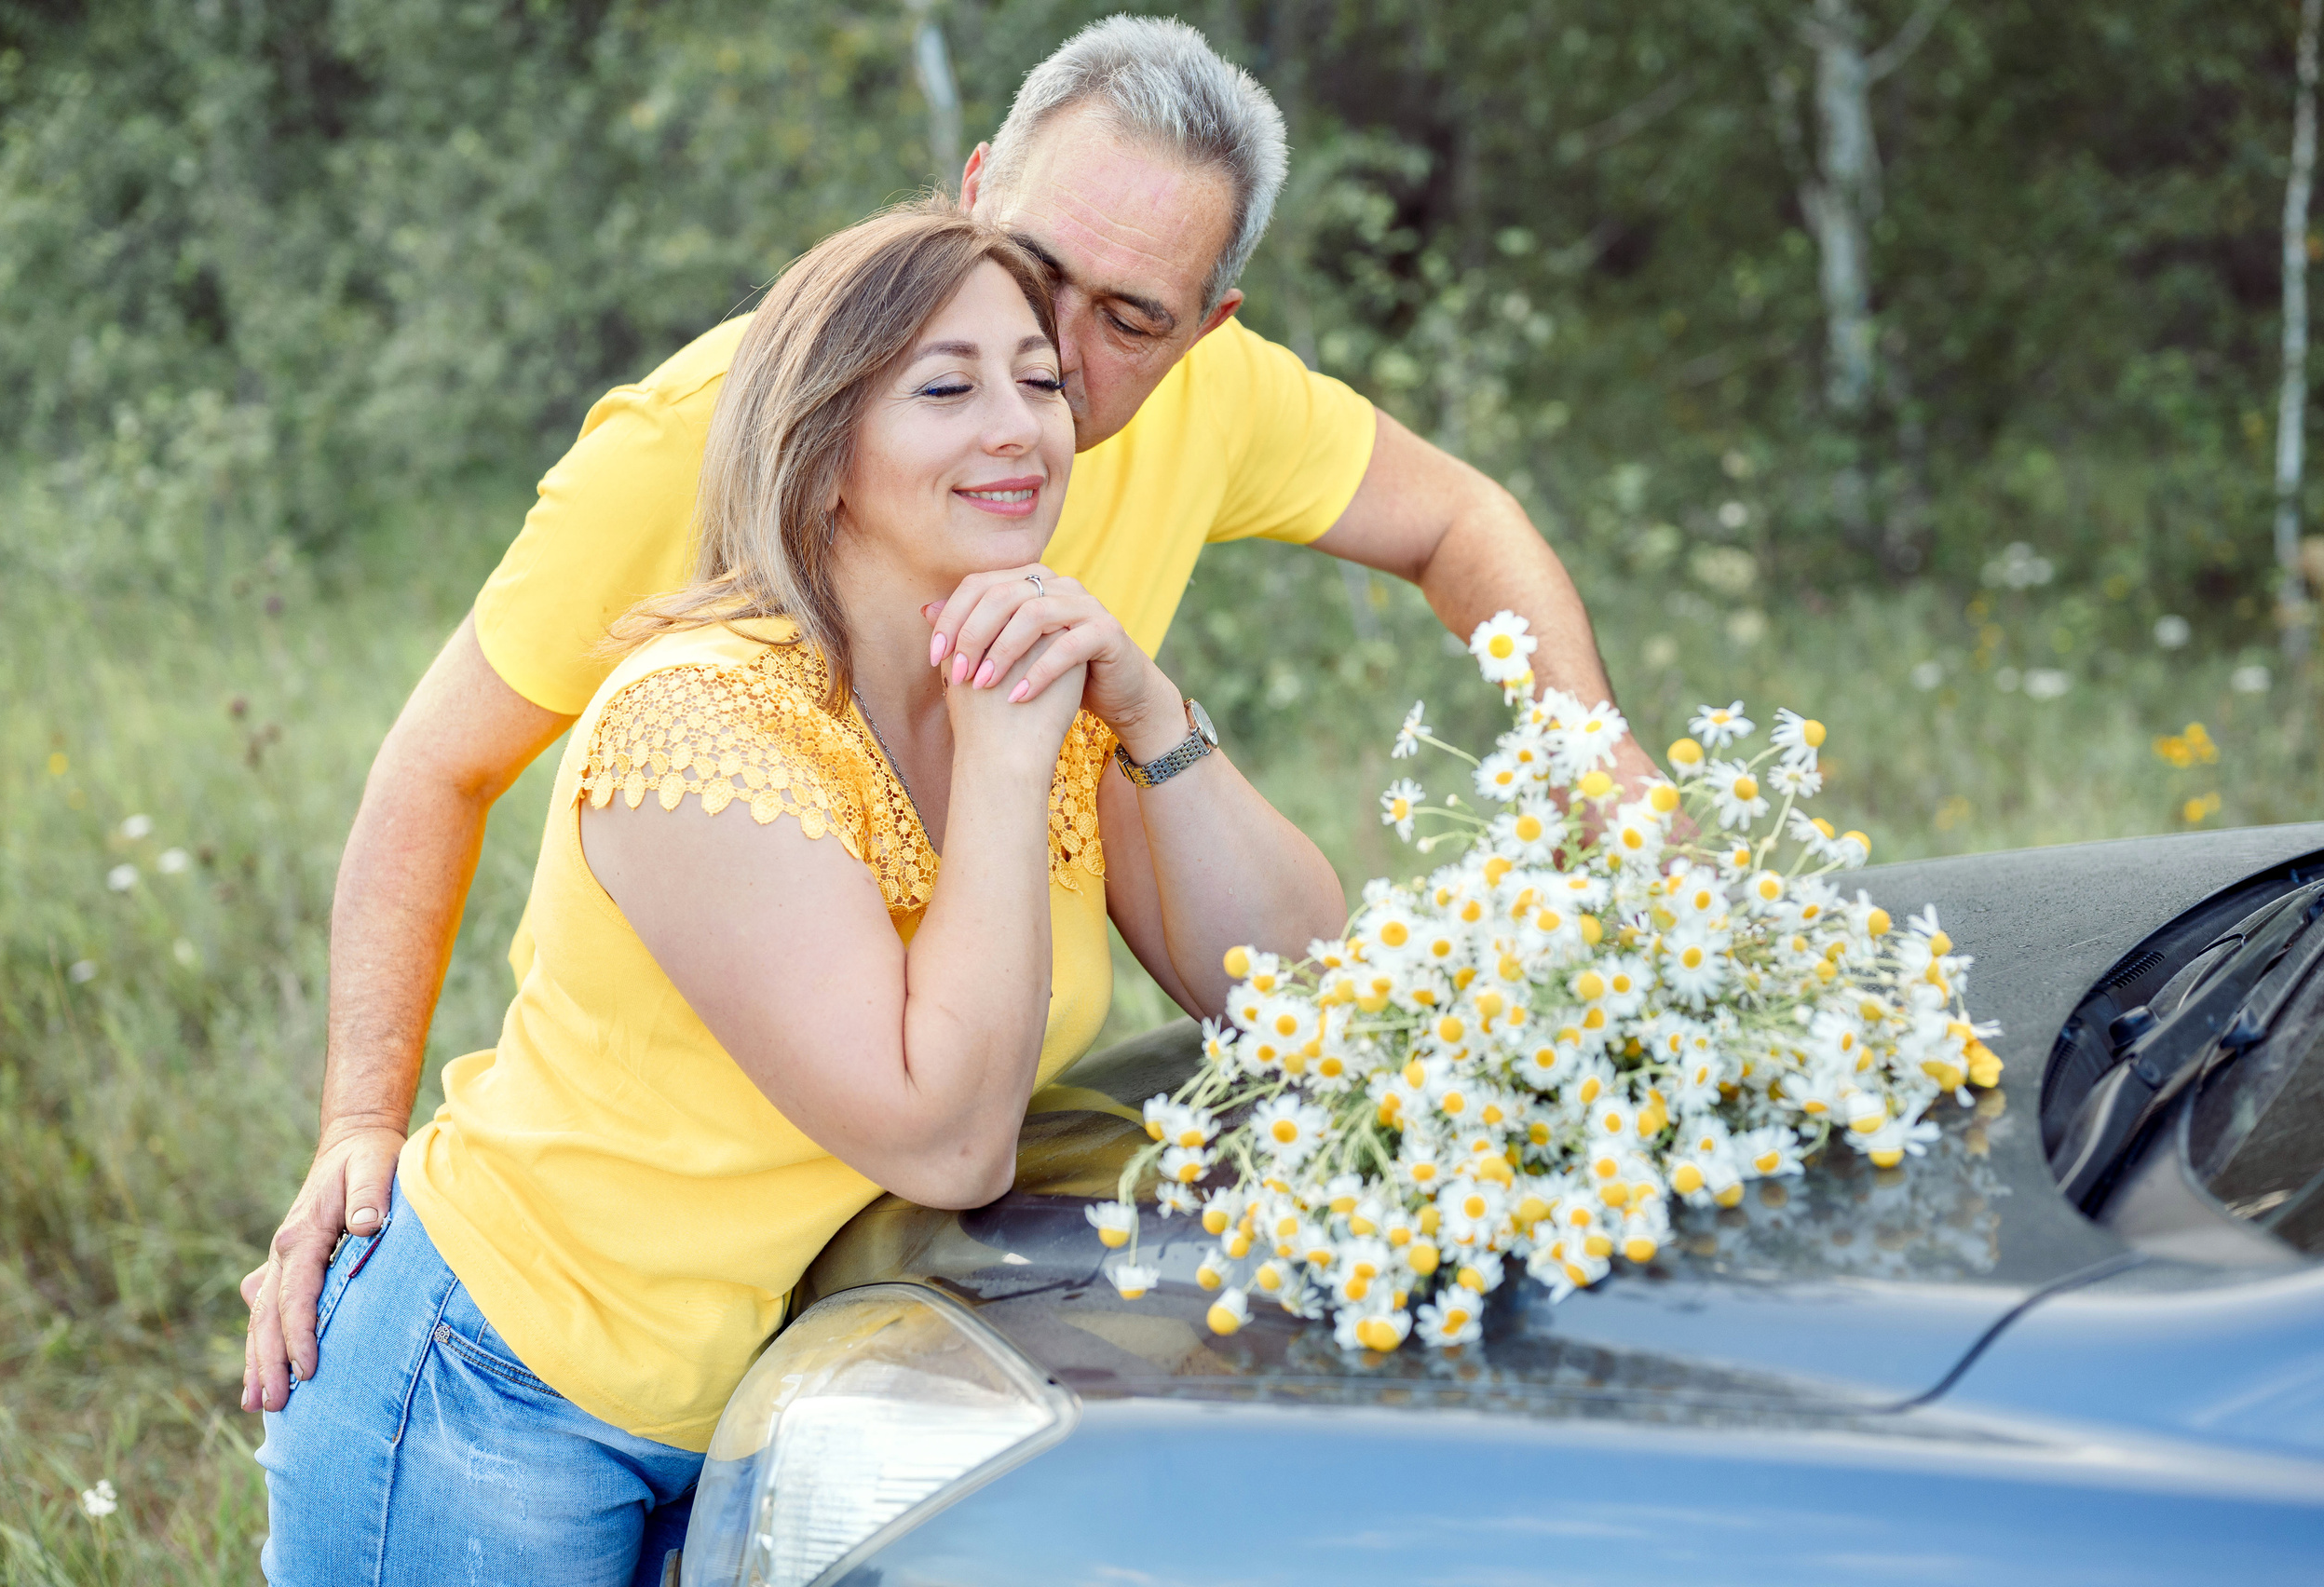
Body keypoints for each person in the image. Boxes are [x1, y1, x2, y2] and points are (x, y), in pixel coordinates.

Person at [241, 16, 1659, 1412]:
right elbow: (439, 764)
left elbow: (1457, 522)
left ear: (1204, 331)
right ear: (972, 189)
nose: (1048, 362)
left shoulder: (1188, 433)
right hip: (538, 1333)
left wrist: (1600, 773)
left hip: (797, 1348)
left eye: (1128, 323)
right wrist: (359, 1123)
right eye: (1033, 270)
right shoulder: (707, 434)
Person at [255, 201, 1349, 1583]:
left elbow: (1307, 994)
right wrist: (1005, 767)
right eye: (946, 388)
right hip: (493, 1381)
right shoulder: (702, 722)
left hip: (754, 1407)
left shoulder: (1038, 689)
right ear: (825, 451)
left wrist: (1146, 710)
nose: (1020, 426)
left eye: (1039, 382)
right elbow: (948, 1147)